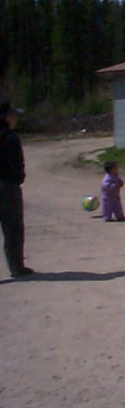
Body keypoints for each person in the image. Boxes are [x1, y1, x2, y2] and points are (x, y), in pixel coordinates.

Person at [0, 103, 33, 278]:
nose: (16, 118)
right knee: (13, 228)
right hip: (6, 187)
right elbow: (16, 164)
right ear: (6, 117)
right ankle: (16, 267)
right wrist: (18, 178)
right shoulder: (10, 137)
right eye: (13, 115)